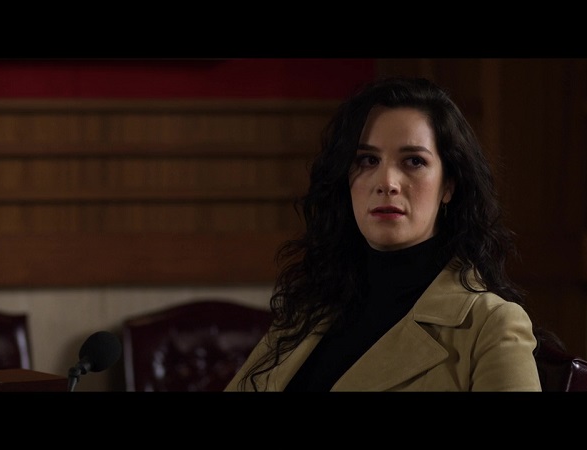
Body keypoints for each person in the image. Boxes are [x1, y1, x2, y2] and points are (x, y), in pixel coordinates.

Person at [225, 76, 542, 392]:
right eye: (368, 160)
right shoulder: (312, 306)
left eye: (413, 161)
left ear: (449, 185)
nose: (387, 182)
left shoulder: (491, 324)